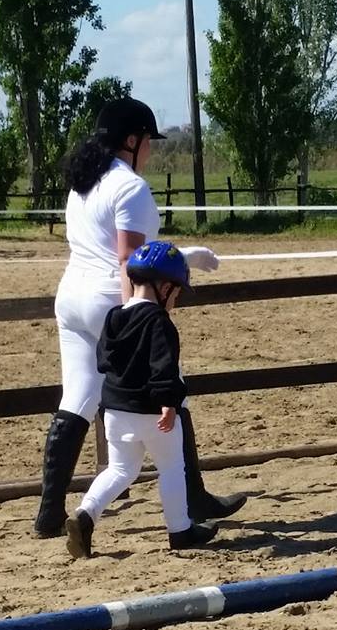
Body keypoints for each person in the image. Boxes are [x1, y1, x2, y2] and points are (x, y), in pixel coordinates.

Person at [34, 96, 246, 539]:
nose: (150, 149)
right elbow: (128, 259)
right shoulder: (130, 187)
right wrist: (167, 281)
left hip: (71, 298)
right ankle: (193, 500)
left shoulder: (84, 183)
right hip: (110, 298)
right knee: (173, 392)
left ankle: (49, 512)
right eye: (148, 140)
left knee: (78, 397)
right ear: (131, 141)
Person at [65, 240, 218, 557]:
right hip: (153, 412)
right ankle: (180, 531)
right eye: (176, 292)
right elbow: (164, 367)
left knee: (120, 470)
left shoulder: (114, 316)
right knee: (172, 468)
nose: (175, 300)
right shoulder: (159, 322)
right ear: (164, 287)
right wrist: (168, 403)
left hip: (114, 411)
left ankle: (86, 513)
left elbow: (104, 361)